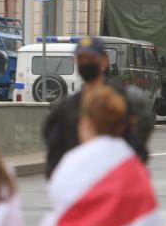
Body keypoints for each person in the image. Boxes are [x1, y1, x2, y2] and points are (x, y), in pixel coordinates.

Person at [43, 86, 163, 226]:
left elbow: (58, 200)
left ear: (86, 123)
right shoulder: (136, 169)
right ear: (121, 126)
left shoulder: (71, 163)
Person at [43, 36, 155, 178]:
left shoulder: (128, 100)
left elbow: (140, 139)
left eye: (91, 58)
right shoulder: (66, 108)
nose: (86, 63)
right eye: (82, 59)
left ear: (105, 60)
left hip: (118, 179)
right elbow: (55, 150)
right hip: (81, 181)